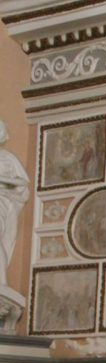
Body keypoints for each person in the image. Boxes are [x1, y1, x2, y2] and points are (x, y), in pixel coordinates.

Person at [0, 119, 30, 297]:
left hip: (3, 201)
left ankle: (1, 281)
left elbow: (22, 182)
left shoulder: (7, 158)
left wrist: (2, 180)